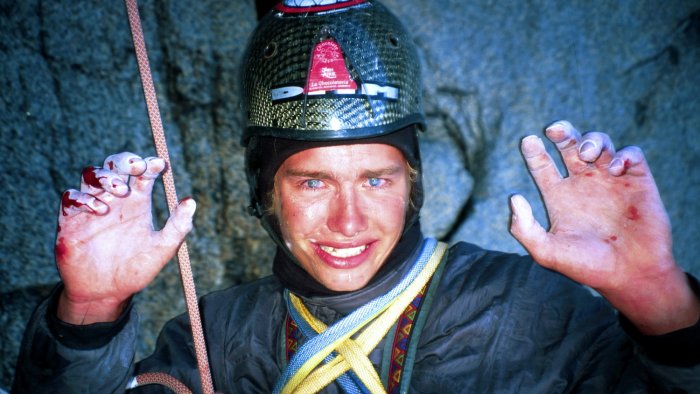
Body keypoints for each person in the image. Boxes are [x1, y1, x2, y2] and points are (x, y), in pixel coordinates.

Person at [13, 0, 700, 392]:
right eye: (311, 181)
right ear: (266, 191)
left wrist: (659, 301)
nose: (348, 220)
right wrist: (90, 313)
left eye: (377, 178)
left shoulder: (526, 309)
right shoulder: (216, 336)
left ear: (414, 183)